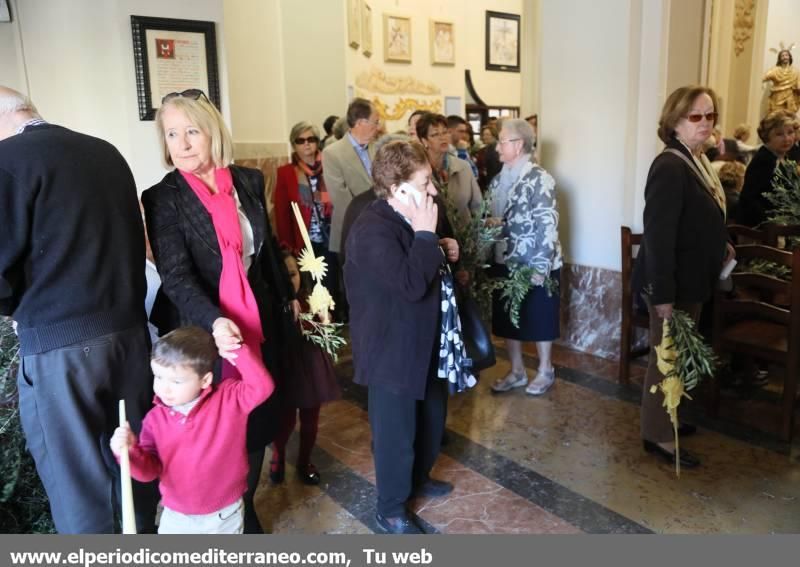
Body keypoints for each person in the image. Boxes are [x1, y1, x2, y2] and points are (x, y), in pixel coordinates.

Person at [0, 86, 157, 533]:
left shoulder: (7, 162)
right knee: (131, 466)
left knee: (77, 487)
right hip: (129, 337)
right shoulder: (105, 153)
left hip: (59, 349)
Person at [141, 89, 298, 533]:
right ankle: (222, 515)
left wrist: (291, 296)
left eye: (192, 131)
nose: (183, 143)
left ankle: (242, 505)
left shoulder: (247, 180)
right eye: (172, 134)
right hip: (201, 326)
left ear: (213, 132)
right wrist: (215, 320)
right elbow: (176, 276)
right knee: (216, 429)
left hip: (256, 319)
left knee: (255, 417)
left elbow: (262, 255)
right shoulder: (162, 197)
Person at [345, 140, 462, 534]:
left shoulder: (412, 218)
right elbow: (410, 283)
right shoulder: (371, 228)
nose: (433, 190)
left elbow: (422, 264)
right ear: (398, 189)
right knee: (396, 433)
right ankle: (390, 508)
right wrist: (428, 238)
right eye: (425, 181)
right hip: (389, 349)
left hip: (423, 341)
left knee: (430, 416)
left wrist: (442, 248)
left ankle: (419, 478)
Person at [632, 85, 733, 469]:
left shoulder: (696, 159)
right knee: (666, 360)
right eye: (696, 116)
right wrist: (662, 296)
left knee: (680, 357)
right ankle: (658, 436)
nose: (706, 123)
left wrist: (720, 243)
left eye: (711, 116)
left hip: (693, 279)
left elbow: (699, 217)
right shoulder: (670, 165)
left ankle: (668, 420)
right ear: (675, 121)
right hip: (671, 285)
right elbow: (658, 237)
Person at [110, 327, 274, 534]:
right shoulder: (155, 420)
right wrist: (129, 452)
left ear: (205, 380)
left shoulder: (229, 399)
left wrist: (236, 351)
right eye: (158, 377)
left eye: (176, 381)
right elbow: (149, 472)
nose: (164, 388)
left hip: (224, 515)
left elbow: (262, 387)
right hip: (177, 516)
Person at [487, 119, 562, 397]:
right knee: (509, 317)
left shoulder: (539, 177)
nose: (497, 148)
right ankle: (517, 370)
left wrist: (541, 267)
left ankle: (545, 370)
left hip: (534, 262)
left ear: (518, 145)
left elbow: (547, 224)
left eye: (502, 141)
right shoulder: (498, 180)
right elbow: (502, 219)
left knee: (540, 316)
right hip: (504, 259)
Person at [269, 251, 341, 486]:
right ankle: (278, 457)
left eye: (293, 274)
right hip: (287, 366)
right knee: (285, 420)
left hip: (310, 366)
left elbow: (327, 333)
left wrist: (325, 319)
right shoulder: (272, 304)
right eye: (284, 276)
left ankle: (304, 461)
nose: (291, 281)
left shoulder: (312, 298)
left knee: (310, 417)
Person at [274, 121, 340, 310]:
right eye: (300, 140)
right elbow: (282, 211)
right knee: (311, 284)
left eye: (311, 139)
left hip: (330, 235)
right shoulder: (286, 173)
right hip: (304, 239)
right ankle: (318, 324)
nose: (306, 144)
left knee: (331, 280)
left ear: (318, 142)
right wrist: (287, 245)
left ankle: (333, 319)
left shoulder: (330, 167)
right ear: (294, 145)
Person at [322, 98, 380, 254]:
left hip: (381, 231)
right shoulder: (333, 153)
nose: (378, 127)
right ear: (361, 123)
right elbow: (341, 199)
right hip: (352, 230)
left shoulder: (378, 148)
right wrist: (371, 221)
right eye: (375, 122)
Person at [417, 113, 482, 225]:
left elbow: (477, 207)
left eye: (445, 132)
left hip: (464, 236)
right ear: (424, 141)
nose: (442, 137)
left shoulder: (463, 166)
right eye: (435, 134)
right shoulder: (416, 171)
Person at [737, 110, 797, 227]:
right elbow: (749, 199)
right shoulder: (764, 160)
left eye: (790, 132)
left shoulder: (785, 157)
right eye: (779, 134)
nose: (787, 139)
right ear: (766, 136)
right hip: (756, 230)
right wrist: (773, 221)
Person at [762, 49, 800, 114]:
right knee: (777, 117)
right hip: (777, 97)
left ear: (790, 57)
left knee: (789, 118)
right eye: (782, 56)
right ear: (779, 58)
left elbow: (798, 85)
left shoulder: (796, 72)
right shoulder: (775, 70)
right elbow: (763, 77)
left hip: (790, 98)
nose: (785, 57)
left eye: (786, 55)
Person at [475, 124, 502, 192]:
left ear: (494, 135)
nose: (484, 137)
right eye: (483, 135)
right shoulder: (484, 150)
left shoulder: (499, 149)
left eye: (487, 134)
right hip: (486, 183)